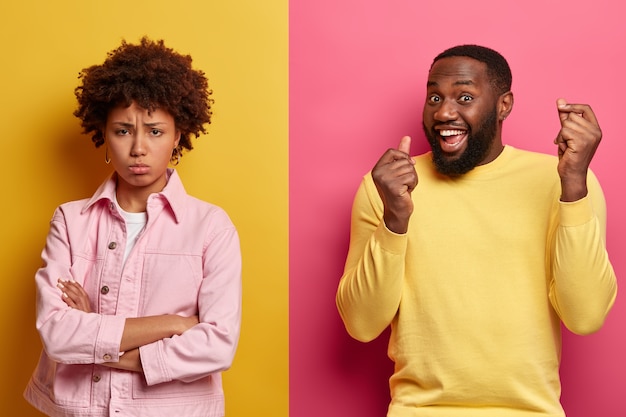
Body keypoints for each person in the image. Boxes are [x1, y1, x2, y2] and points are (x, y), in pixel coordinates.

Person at [336, 44, 617, 416]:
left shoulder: (564, 181)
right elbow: (360, 323)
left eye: (464, 96)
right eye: (434, 96)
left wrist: (574, 187)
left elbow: (586, 315)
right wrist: (395, 220)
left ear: (504, 105)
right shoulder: (387, 187)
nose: (444, 112)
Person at [24, 37, 242, 417]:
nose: (138, 147)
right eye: (123, 130)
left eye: (155, 131)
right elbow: (57, 335)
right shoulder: (70, 221)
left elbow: (217, 346)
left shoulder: (211, 227)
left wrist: (95, 333)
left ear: (178, 136)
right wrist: (173, 324)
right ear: (103, 135)